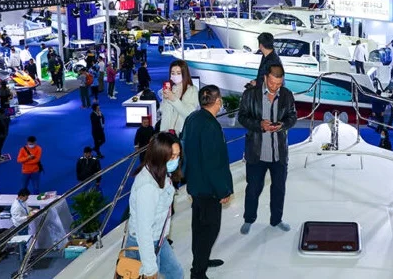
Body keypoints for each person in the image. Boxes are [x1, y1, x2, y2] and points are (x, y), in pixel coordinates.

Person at [181, 85, 233, 278]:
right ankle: (198, 272)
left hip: (195, 185)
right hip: (209, 189)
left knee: (198, 227)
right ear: (218, 101)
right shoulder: (211, 126)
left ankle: (200, 260)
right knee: (209, 230)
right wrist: (223, 190)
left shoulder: (192, 118)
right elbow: (214, 164)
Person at [238, 64, 297, 234]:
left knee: (279, 189)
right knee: (253, 188)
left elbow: (293, 116)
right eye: (272, 83)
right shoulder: (250, 94)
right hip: (257, 152)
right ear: (265, 78)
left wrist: (282, 125)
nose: (275, 87)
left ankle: (276, 220)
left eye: (279, 84)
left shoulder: (287, 95)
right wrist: (259, 125)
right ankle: (249, 219)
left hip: (279, 153)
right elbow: (242, 117)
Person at [125, 132, 184, 279]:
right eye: (172, 156)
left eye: (178, 156)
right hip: (143, 245)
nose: (176, 160)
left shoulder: (161, 173)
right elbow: (143, 230)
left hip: (159, 238)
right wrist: (150, 268)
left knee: (176, 273)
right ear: (159, 155)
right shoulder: (147, 186)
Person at [160, 60, 199, 135]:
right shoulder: (170, 89)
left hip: (182, 133)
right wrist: (165, 100)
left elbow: (189, 114)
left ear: (184, 74)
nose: (175, 76)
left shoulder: (192, 90)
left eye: (178, 73)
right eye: (172, 73)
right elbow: (164, 113)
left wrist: (174, 99)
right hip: (166, 133)